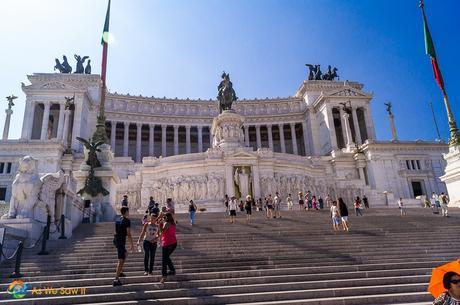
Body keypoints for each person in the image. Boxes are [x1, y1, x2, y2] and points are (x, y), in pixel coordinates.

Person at [113, 207, 134, 286]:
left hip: (116, 240)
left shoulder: (118, 220)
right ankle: (116, 279)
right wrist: (131, 244)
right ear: (125, 212)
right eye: (128, 211)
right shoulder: (127, 221)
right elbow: (128, 234)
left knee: (125, 254)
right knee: (121, 260)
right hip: (121, 242)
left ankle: (120, 272)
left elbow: (115, 231)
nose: (129, 212)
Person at [158, 213, 177, 284]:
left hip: (167, 243)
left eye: (164, 217)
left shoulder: (167, 224)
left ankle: (164, 276)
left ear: (166, 217)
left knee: (164, 260)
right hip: (173, 243)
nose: (163, 218)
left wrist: (159, 224)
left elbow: (162, 231)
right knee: (166, 258)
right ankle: (172, 270)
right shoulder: (173, 223)